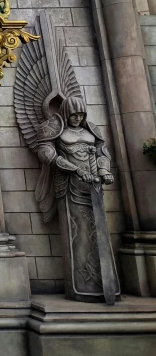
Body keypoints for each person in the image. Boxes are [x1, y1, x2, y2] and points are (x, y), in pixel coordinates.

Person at [35, 97, 120, 303]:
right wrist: (75, 170)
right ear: (65, 113)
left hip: (94, 187)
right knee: (79, 232)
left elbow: (102, 151)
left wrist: (103, 170)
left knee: (98, 232)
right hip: (69, 187)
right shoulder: (55, 129)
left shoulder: (91, 129)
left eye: (81, 115)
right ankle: (81, 286)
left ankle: (106, 286)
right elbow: (47, 154)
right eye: (74, 115)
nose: (77, 118)